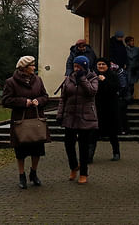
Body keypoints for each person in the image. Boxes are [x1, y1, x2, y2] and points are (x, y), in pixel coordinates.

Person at [2, 56, 48, 189]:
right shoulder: (11, 82)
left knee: (37, 149)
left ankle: (33, 173)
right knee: (21, 151)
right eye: (32, 65)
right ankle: (21, 175)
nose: (34, 67)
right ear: (24, 68)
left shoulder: (38, 80)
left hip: (36, 118)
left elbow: (45, 96)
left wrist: (39, 101)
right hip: (20, 121)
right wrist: (23, 102)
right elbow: (5, 100)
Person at [57, 55, 99, 184]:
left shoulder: (93, 78)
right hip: (70, 116)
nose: (76, 69)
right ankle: (74, 166)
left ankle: (84, 173)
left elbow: (92, 92)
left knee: (83, 146)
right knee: (68, 144)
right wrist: (60, 114)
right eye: (74, 66)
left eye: (78, 66)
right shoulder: (69, 79)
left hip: (85, 117)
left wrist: (82, 79)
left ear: (85, 66)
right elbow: (63, 98)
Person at [92, 57, 121, 162]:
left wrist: (105, 81)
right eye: (99, 64)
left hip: (110, 108)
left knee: (113, 133)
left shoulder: (113, 76)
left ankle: (116, 152)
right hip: (97, 108)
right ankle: (89, 156)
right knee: (93, 133)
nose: (101, 66)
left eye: (103, 64)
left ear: (107, 66)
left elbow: (116, 88)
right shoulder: (93, 76)